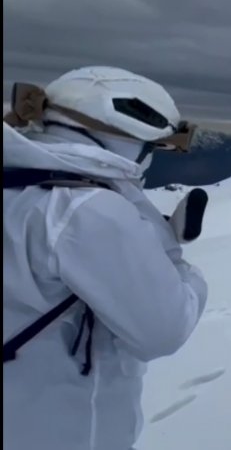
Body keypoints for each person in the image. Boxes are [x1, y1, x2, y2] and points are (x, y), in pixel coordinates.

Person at [3, 66, 209, 450]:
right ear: (128, 138)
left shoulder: (22, 183)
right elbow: (165, 328)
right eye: (152, 149)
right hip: (65, 430)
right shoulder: (89, 210)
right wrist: (175, 259)